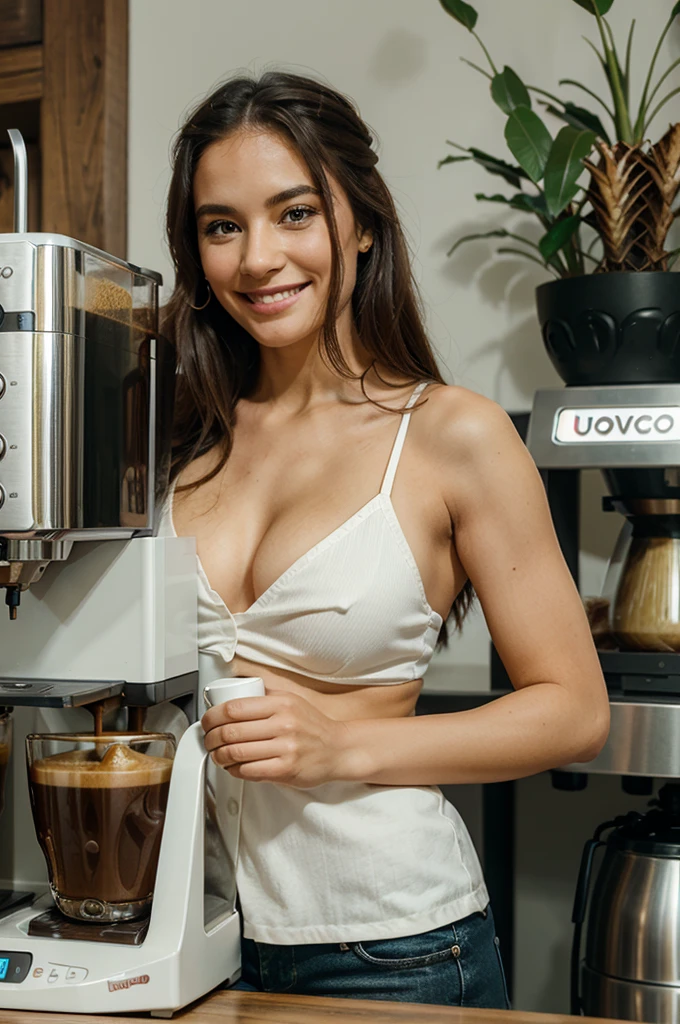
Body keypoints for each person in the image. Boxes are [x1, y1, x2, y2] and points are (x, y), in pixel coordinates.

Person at [158, 70, 609, 1009]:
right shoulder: (173, 437)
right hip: (186, 930)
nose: (257, 260)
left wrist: (342, 747)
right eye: (222, 226)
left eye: (294, 213)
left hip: (390, 947)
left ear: (359, 221)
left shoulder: (453, 435)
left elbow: (574, 710)